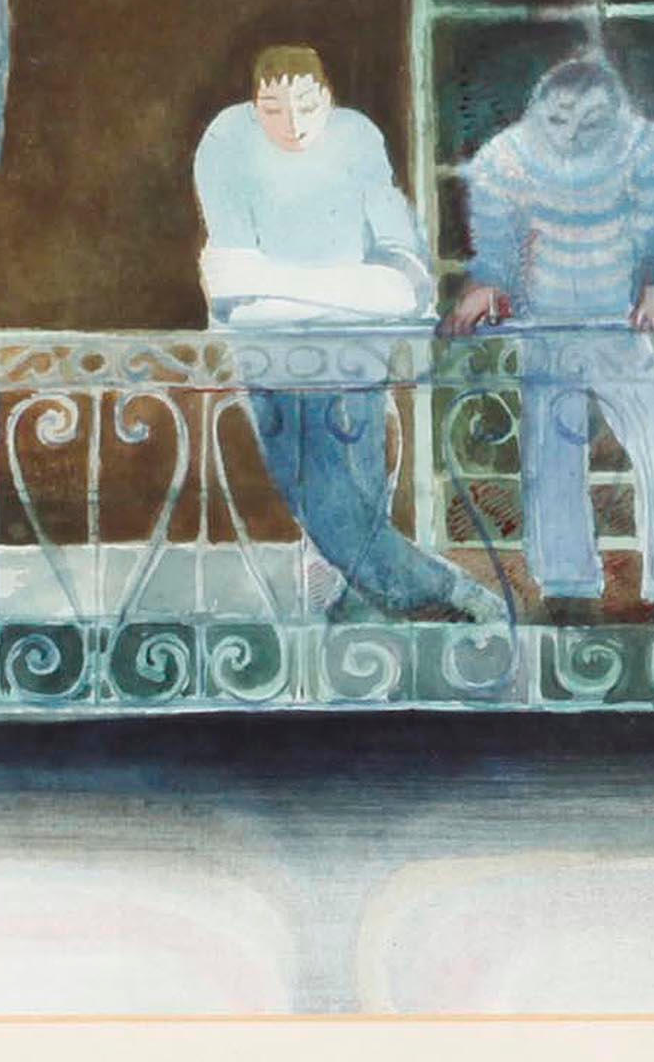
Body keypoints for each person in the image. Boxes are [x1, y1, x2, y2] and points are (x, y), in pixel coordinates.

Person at [192, 45, 497, 626]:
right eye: (273, 109)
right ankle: (445, 593)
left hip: (355, 351)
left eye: (307, 106)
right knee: (324, 502)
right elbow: (233, 290)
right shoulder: (228, 141)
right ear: (254, 105)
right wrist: (353, 286)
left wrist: (276, 282)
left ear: (328, 97)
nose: (292, 125)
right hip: (271, 353)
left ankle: (375, 607)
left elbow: (405, 280)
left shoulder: (356, 139)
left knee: (348, 499)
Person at [447, 53, 654, 623]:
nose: (570, 134)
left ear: (616, 116)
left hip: (617, 322)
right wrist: (487, 286)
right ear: (536, 111)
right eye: (557, 120)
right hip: (544, 322)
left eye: (590, 122)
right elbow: (495, 249)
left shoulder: (644, 148)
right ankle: (565, 585)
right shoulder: (502, 160)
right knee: (551, 448)